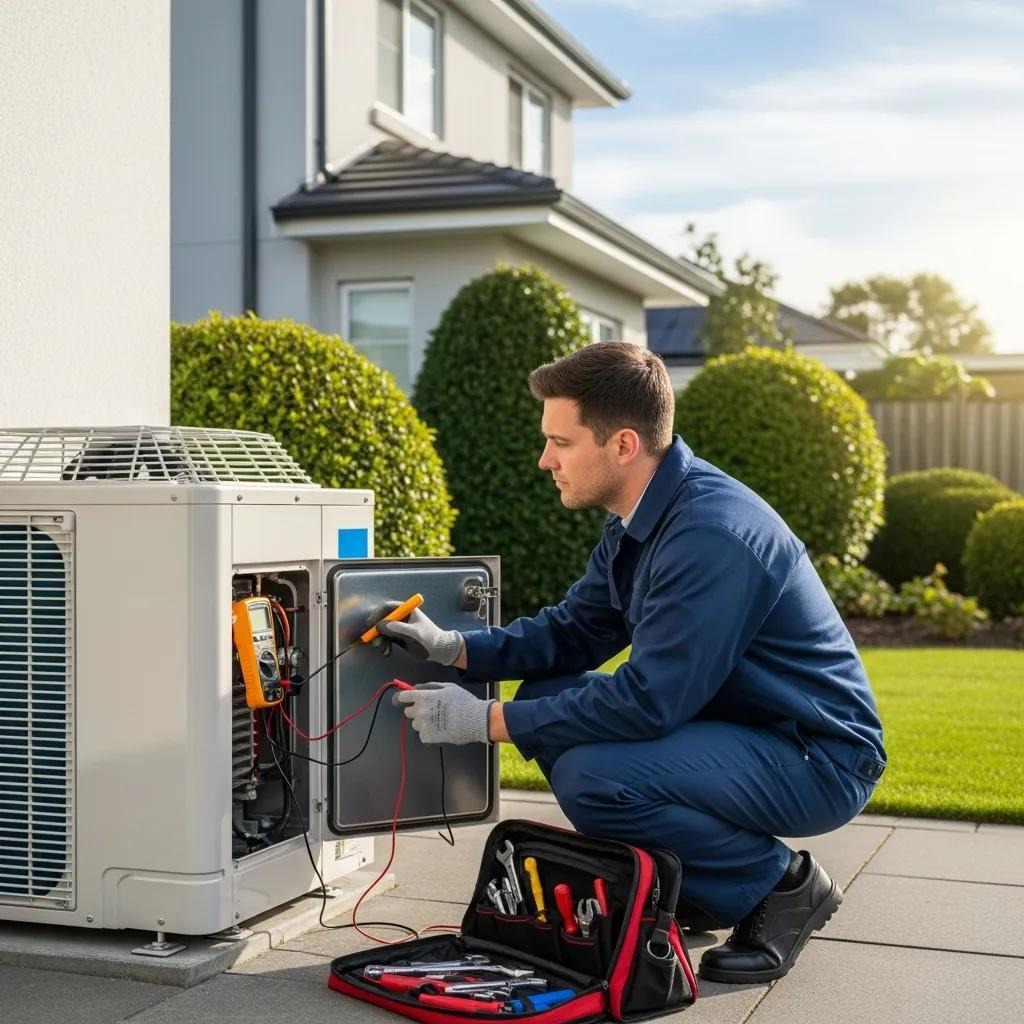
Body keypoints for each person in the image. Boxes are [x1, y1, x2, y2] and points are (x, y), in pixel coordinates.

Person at [372, 341, 886, 984]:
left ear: (621, 445)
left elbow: (650, 701)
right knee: (550, 689)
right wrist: (458, 648)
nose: (544, 460)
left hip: (819, 756)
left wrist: (486, 721)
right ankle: (694, 879)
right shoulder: (642, 519)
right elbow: (576, 631)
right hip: (745, 731)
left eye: (561, 442)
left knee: (594, 774)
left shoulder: (709, 534)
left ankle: (780, 887)